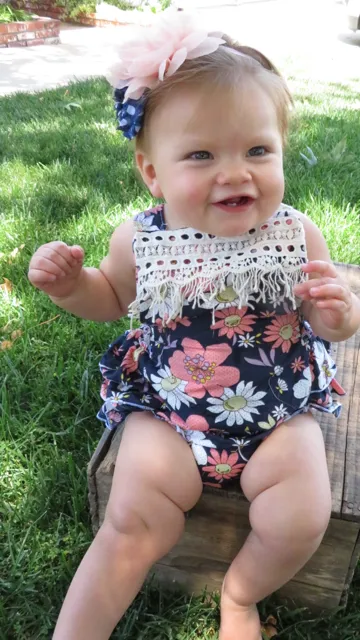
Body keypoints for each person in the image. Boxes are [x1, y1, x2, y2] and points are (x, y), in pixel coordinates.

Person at [28, 10, 360, 640]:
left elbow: (325, 314)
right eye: (201, 154)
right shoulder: (142, 240)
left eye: (257, 150)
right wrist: (75, 287)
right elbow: (111, 296)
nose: (235, 172)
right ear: (153, 172)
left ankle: (239, 594)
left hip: (276, 416)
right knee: (132, 516)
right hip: (170, 413)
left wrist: (338, 312)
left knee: (301, 516)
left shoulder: (294, 234)